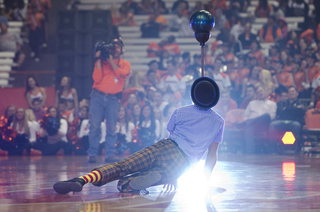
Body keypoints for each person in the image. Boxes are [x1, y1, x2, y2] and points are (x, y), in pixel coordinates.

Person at [53, 77, 224, 195]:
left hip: (167, 147)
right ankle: (152, 177)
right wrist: (204, 181)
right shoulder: (218, 122)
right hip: (183, 164)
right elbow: (212, 155)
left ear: (194, 94)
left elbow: (170, 131)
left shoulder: (180, 111)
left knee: (123, 166)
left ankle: (82, 180)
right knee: (128, 184)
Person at [88, 37, 131, 163]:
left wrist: (112, 62)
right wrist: (99, 61)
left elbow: (122, 75)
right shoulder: (101, 62)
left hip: (113, 98)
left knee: (111, 127)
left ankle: (110, 154)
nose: (115, 49)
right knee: (94, 126)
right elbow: (96, 79)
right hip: (98, 96)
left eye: (117, 47)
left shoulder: (125, 64)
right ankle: (93, 154)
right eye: (113, 47)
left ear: (122, 49)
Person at [242, 86, 277, 153]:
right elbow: (245, 116)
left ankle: (245, 123)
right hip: (253, 125)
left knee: (266, 115)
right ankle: (250, 152)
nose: (260, 93)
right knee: (248, 127)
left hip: (265, 124)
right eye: (258, 92)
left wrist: (250, 121)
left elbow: (271, 117)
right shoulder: (252, 103)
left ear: (265, 91)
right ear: (256, 94)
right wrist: (248, 121)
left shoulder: (272, 104)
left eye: (261, 91)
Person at [269, 86, 305, 152]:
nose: (291, 93)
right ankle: (273, 148)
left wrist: (286, 109)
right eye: (289, 92)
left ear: (297, 93)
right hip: (282, 122)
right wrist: (294, 109)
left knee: (296, 125)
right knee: (273, 124)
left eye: (293, 91)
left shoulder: (300, 103)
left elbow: (301, 111)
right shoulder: (282, 103)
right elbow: (279, 112)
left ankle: (295, 147)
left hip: (294, 122)